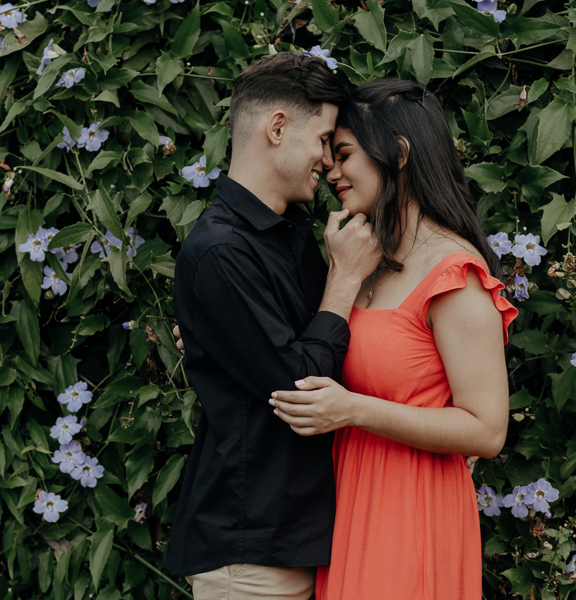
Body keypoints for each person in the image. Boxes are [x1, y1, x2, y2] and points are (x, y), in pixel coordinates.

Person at [268, 79, 517, 599]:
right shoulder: (366, 261)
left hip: (412, 513)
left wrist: (353, 410)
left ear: (399, 154)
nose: (331, 171)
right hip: (348, 505)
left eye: (344, 154)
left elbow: (487, 429)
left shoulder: (454, 274)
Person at [164, 53, 382, 599]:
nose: (328, 161)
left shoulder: (289, 234)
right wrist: (343, 281)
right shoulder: (220, 252)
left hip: (298, 540)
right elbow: (302, 391)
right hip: (251, 553)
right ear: (278, 127)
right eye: (324, 140)